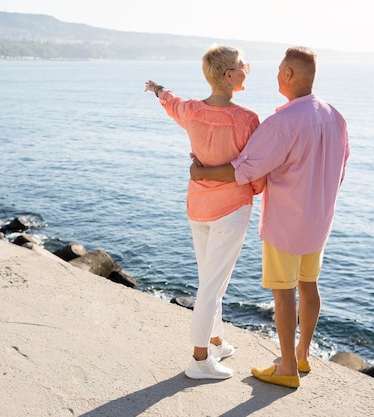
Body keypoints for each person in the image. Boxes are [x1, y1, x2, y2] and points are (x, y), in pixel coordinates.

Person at [190, 46, 350, 388]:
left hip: (286, 224)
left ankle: (287, 369)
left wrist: (201, 171)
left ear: (289, 75)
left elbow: (243, 170)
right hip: (319, 222)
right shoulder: (335, 115)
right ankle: (303, 354)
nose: (276, 74)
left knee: (284, 294)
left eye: (279, 69)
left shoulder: (282, 122)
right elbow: (341, 169)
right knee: (309, 286)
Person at [145, 45, 265, 380]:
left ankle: (216, 341)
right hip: (230, 210)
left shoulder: (191, 111)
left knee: (210, 279)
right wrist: (253, 193)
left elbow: (170, 100)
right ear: (229, 76)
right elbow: (255, 169)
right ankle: (199, 361)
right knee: (212, 286)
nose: (248, 69)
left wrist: (156, 88)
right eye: (244, 65)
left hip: (198, 207)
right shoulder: (246, 119)